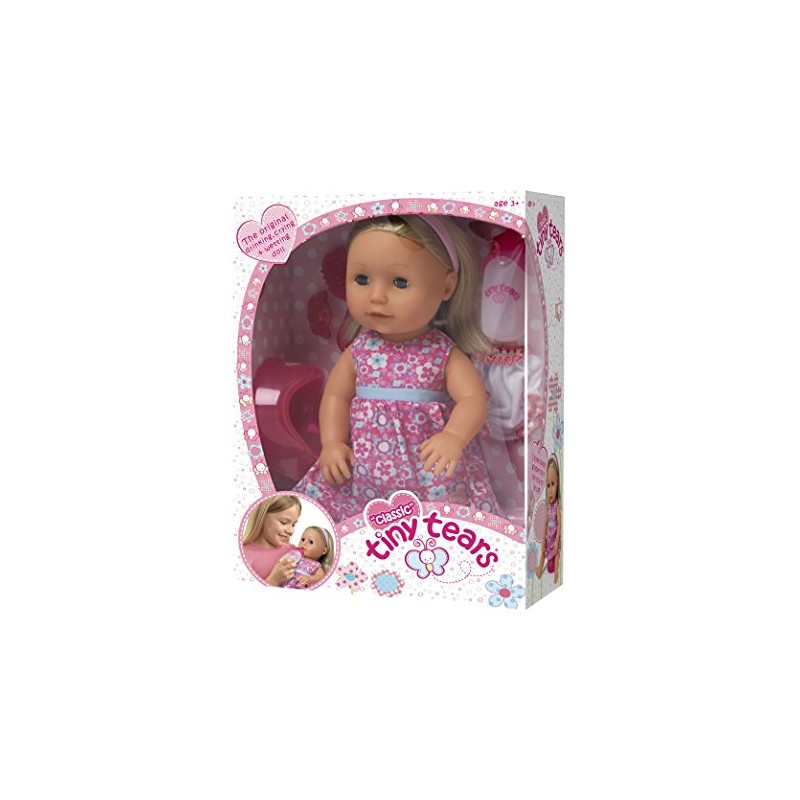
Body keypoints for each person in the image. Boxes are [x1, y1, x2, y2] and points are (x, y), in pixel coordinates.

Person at [294, 215, 499, 522]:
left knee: (442, 518)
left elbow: (472, 399)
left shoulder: (442, 353)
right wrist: (332, 443)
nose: (377, 296)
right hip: (365, 474)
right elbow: (336, 397)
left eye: (400, 282)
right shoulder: (360, 350)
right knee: (334, 513)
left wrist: (454, 437)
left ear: (446, 287)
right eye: (361, 279)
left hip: (430, 474)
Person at [240, 495, 302, 586]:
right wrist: (273, 581)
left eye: (293, 525)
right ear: (262, 517)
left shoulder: (293, 551)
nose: (291, 531)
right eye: (284, 522)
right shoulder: (243, 556)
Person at [535, 456, 562, 582]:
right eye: (548, 485)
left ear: (558, 484)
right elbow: (545, 523)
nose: (550, 490)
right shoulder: (548, 506)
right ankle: (539, 570)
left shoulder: (556, 506)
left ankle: (556, 574)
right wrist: (543, 539)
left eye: (553, 484)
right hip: (548, 536)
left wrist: (556, 540)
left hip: (554, 535)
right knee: (543, 552)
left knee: (557, 553)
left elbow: (559, 524)